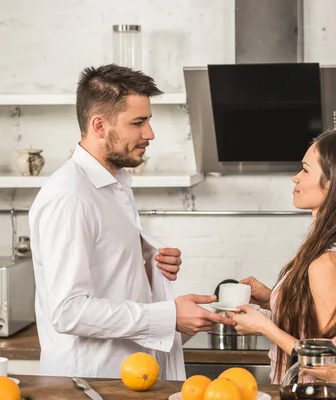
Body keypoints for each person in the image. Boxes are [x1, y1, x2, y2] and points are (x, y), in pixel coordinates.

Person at [28, 64, 233, 380]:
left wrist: (149, 263)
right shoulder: (68, 197)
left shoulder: (115, 184)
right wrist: (168, 316)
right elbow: (67, 312)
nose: (149, 134)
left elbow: (106, 274)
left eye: (148, 120)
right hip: (90, 383)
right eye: (138, 123)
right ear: (99, 125)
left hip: (127, 378)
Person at [227, 129, 336, 387]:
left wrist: (264, 327)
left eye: (304, 170)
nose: (295, 178)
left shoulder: (327, 263)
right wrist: (274, 299)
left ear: (333, 183)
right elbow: (318, 318)